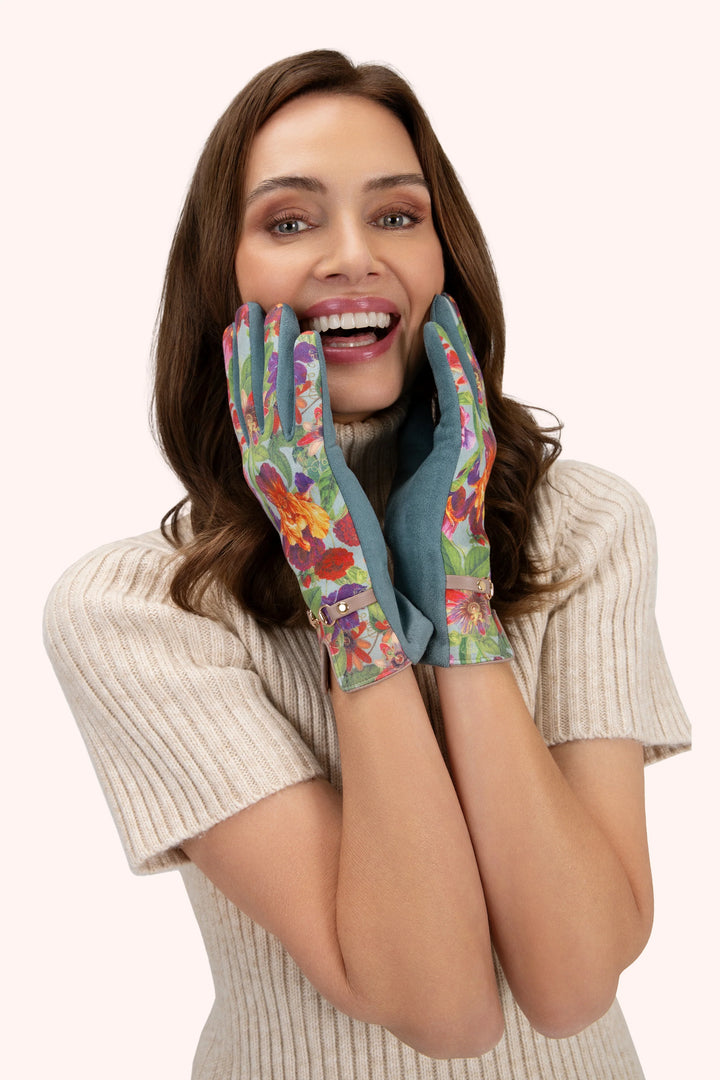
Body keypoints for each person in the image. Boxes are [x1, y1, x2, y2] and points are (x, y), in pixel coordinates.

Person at [43, 49, 690, 1080]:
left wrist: (460, 598)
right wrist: (345, 592)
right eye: (289, 222)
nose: (354, 256)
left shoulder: (584, 528)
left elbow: (573, 985)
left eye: (396, 214)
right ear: (220, 281)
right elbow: (443, 1009)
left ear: (445, 258)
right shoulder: (138, 612)